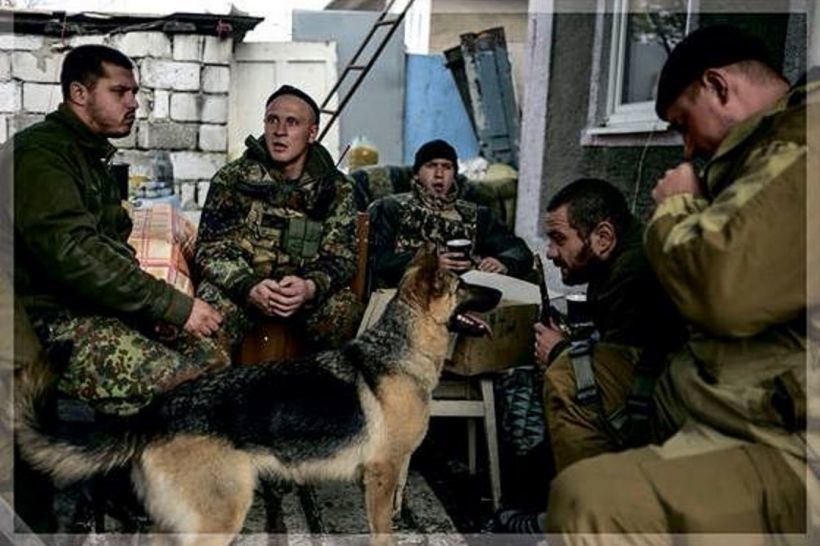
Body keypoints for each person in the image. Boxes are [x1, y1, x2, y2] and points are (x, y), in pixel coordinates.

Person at [546, 25, 814, 538]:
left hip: (770, 426)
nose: (687, 148)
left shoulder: (803, 142)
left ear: (718, 87)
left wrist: (676, 208)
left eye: (684, 124)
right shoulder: (761, 154)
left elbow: (724, 289)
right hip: (717, 395)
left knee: (590, 500)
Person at [6, 44, 226, 418]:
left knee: (212, 359)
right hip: (51, 323)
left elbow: (113, 249)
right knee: (187, 384)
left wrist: (155, 310)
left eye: (135, 92)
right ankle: (137, 468)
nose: (134, 103)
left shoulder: (90, 155)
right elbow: (77, 254)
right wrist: (173, 305)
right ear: (79, 93)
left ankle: (156, 464)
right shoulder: (41, 156)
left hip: (94, 308)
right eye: (120, 92)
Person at [491, 179, 684, 534]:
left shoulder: (635, 274)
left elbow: (628, 381)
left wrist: (561, 351)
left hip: (674, 422)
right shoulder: (615, 265)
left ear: (603, 237)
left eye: (559, 239)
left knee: (566, 377)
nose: (550, 252)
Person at [194, 84, 361, 353]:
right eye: (272, 120)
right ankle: (214, 391)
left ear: (312, 133)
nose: (279, 132)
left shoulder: (335, 189)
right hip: (243, 287)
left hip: (301, 292)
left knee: (343, 311)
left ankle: (318, 392)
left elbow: (340, 256)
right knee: (208, 314)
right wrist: (248, 286)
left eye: (292, 122)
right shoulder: (233, 179)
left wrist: (309, 287)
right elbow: (211, 248)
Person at [368, 139, 533, 287]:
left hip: (461, 299)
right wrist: (429, 264)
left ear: (454, 174)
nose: (439, 174)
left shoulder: (478, 215)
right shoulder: (391, 209)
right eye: (431, 165)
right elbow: (376, 260)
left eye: (447, 167)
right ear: (417, 173)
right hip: (404, 297)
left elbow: (518, 250)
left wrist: (502, 263)